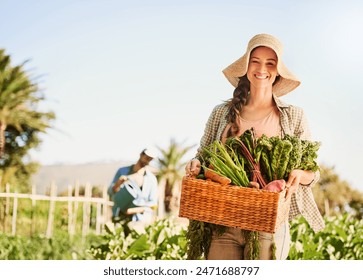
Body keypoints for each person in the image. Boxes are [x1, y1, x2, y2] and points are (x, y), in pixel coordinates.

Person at [185, 33, 325, 260]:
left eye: (270, 63)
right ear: (246, 66)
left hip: (268, 224)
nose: (262, 69)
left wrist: (299, 175)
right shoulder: (221, 113)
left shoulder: (294, 116)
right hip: (223, 222)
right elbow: (202, 155)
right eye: (255, 61)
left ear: (278, 71)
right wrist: (196, 164)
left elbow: (313, 173)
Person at [108, 148, 158, 225]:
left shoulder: (151, 179)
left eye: (150, 159)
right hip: (119, 215)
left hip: (139, 220)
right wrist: (118, 184)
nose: (147, 160)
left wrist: (132, 210)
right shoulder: (122, 171)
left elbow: (152, 203)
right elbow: (111, 192)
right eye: (146, 157)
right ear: (141, 155)